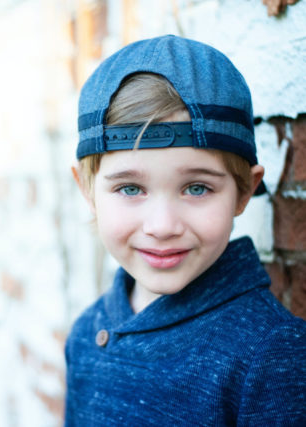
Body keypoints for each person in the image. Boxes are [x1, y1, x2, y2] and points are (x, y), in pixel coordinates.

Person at [64, 35, 306, 426]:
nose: (162, 227)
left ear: (244, 189)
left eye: (197, 188)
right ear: (88, 191)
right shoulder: (86, 332)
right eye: (130, 188)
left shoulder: (272, 355)